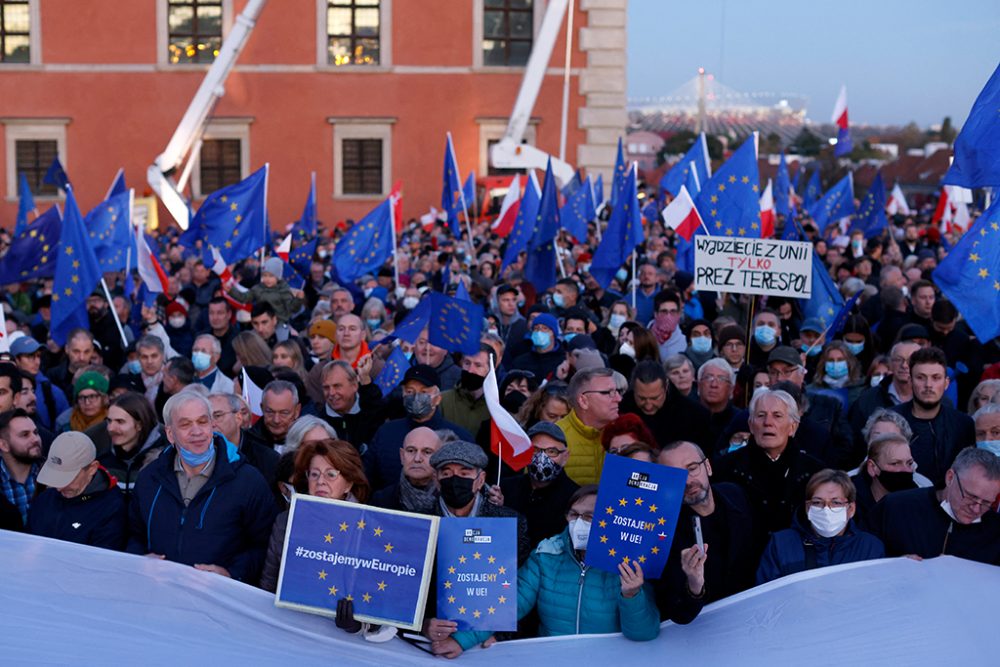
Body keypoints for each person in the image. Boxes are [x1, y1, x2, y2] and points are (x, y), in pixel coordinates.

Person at [438, 485, 660, 658]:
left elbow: (644, 633)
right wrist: (461, 640)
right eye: (574, 515)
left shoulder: (624, 563)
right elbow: (509, 603)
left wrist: (631, 595)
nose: (579, 522)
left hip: (606, 659)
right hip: (552, 659)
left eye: (589, 517)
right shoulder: (547, 554)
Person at [127, 391, 278, 583]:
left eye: (202, 421)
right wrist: (140, 560)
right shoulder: (149, 478)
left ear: (212, 426)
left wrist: (231, 573)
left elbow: (264, 545)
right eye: (185, 424)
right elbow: (134, 534)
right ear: (170, 434)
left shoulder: (248, 481)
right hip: (158, 593)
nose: (196, 431)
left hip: (218, 599)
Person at [712, 388, 825, 555]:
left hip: (795, 559)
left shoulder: (816, 472)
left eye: (777, 416)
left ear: (792, 427)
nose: (768, 422)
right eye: (761, 415)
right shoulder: (724, 468)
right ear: (751, 425)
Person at [655, 441, 755, 624]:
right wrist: (694, 585)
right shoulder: (664, 533)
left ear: (707, 466)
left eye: (692, 468)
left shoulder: (735, 494)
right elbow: (677, 613)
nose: (686, 481)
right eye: (675, 476)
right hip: (704, 633)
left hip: (751, 618)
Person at [259, 438, 370, 592]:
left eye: (330, 474)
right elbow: (269, 583)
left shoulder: (367, 526)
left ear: (349, 483)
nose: (320, 481)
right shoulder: (286, 520)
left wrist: (356, 612)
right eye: (314, 474)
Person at [869, 447, 1000, 564]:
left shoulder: (996, 530)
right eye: (971, 497)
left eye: (987, 503)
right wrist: (894, 565)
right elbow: (863, 559)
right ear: (950, 478)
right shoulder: (896, 507)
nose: (976, 509)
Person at [755, 469, 884, 584]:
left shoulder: (870, 547)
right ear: (807, 508)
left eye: (836, 502)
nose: (826, 509)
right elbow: (766, 596)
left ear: (851, 509)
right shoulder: (781, 543)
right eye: (817, 502)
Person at [365, 365, 473, 491]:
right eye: (410, 391)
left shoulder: (459, 437)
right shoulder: (385, 433)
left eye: (424, 392)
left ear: (438, 398)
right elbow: (368, 476)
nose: (416, 397)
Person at [27, 431, 127, 550]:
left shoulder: (111, 507)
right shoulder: (44, 499)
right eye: (55, 476)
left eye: (68, 477)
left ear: (92, 469)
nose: (59, 487)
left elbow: (101, 561)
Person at [891, 346, 975, 487]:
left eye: (936, 378)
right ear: (910, 381)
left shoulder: (963, 424)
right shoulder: (891, 421)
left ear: (946, 383)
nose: (928, 385)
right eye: (920, 378)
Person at [501, 421, 580, 548]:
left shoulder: (575, 498)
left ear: (565, 457)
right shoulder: (506, 488)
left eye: (552, 451)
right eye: (535, 450)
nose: (542, 458)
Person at [619, 361, 711, 451]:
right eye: (642, 398)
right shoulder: (619, 411)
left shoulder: (695, 416)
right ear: (634, 388)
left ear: (666, 386)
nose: (648, 406)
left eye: (655, 398)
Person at [557, 367, 621, 485]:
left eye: (617, 391)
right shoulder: (555, 438)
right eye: (608, 393)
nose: (618, 398)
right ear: (583, 401)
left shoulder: (625, 433)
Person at [848, 341, 920, 443]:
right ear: (891, 362)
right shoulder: (867, 399)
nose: (904, 365)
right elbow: (854, 442)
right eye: (898, 359)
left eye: (911, 360)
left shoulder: (931, 400)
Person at [96, 392, 167, 494]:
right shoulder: (102, 458)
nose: (111, 428)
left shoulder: (163, 460)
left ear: (139, 425)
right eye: (109, 421)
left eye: (120, 422)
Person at [850, 432, 919, 530]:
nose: (906, 470)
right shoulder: (848, 503)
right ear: (872, 467)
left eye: (909, 463)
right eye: (895, 463)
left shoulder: (917, 500)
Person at [209, 393, 280, 485]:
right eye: (206, 418)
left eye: (217, 416)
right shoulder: (197, 454)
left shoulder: (267, 459)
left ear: (238, 418)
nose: (212, 424)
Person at [370, 426, 442, 513]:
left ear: (439, 457)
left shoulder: (450, 501)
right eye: (411, 451)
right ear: (402, 456)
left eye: (427, 452)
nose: (417, 459)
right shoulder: (380, 501)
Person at [318, 359, 383, 451]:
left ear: (354, 386)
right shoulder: (318, 422)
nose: (331, 393)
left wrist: (365, 379)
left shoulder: (373, 411)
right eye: (326, 387)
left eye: (337, 386)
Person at [12, 336, 69, 432]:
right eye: (30, 356)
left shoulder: (53, 392)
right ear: (16, 359)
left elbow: (66, 426)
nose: (37, 362)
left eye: (38, 356)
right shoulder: (5, 389)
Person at [0, 408, 43, 526]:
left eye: (36, 432)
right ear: (3, 445)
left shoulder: (51, 474)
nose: (35, 439)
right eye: (25, 435)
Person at [227, 256, 303, 324]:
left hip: (279, 323)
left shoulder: (284, 290)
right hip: (260, 322)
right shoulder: (258, 288)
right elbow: (244, 298)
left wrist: (298, 299)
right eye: (265, 275)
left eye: (271, 276)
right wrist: (231, 290)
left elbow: (292, 308)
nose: (267, 279)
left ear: (278, 277)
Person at [439, 343, 492, 436]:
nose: (470, 370)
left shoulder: (496, 406)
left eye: (478, 365)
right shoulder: (442, 400)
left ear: (491, 370)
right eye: (467, 363)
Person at [696, 359, 737, 454]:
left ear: (731, 390)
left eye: (722, 379)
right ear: (698, 385)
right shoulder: (683, 417)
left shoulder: (739, 421)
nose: (714, 385)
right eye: (708, 377)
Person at [249, 380, 303, 450]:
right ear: (262, 408)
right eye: (270, 412)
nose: (276, 420)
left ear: (297, 411)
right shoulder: (246, 442)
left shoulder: (308, 442)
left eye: (284, 413)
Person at [511, 313, 565, 382]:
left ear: (553, 333)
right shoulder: (520, 362)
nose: (539, 332)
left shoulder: (562, 362)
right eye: (536, 328)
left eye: (545, 328)